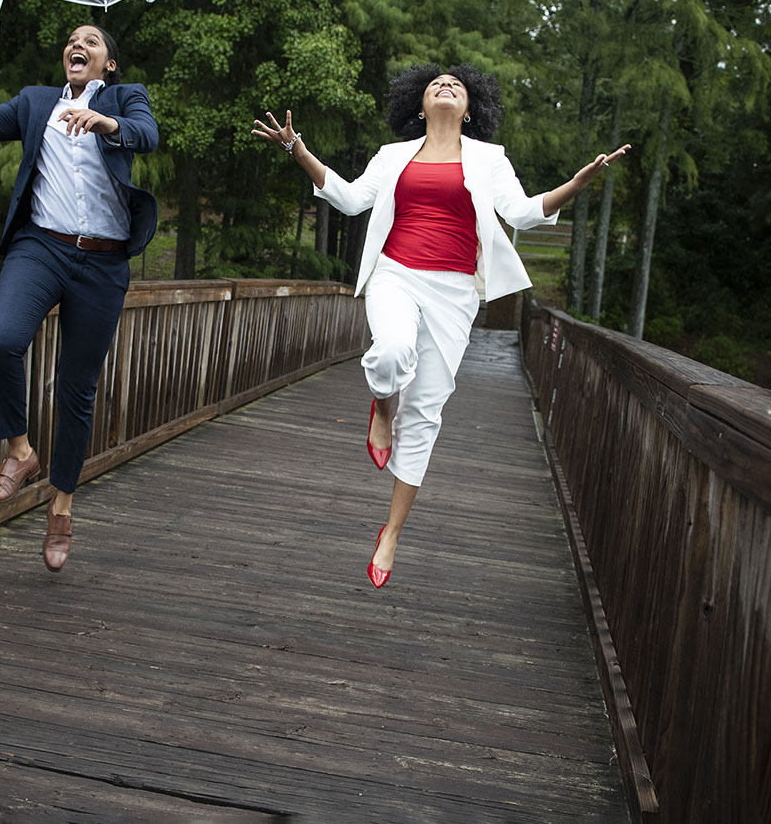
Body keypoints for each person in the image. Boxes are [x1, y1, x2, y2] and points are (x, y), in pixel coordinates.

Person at [253, 63, 629, 588]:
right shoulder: (392, 156)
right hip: (396, 274)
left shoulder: (489, 158)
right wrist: (298, 150)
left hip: (455, 293)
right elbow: (351, 198)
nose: (446, 85)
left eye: (456, 84)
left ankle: (392, 533)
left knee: (426, 412)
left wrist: (576, 183)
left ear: (470, 108)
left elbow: (521, 213)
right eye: (435, 84)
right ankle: (383, 412)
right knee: (390, 353)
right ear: (420, 105)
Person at [0, 18, 159, 571]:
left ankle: (61, 506)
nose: (77, 45)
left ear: (108, 63)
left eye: (91, 41)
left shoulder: (123, 97)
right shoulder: (35, 102)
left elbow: (148, 132)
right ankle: (19, 452)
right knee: (1, 341)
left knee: (76, 389)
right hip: (41, 246)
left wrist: (106, 121)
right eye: (72, 39)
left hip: (104, 261)